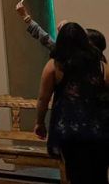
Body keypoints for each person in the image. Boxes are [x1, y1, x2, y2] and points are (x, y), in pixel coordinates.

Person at [34, 23, 109, 183]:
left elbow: (43, 99)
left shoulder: (54, 66)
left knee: (76, 175)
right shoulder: (102, 67)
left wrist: (40, 123)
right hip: (99, 130)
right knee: (99, 175)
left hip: (70, 130)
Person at [14, 2, 107, 60]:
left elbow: (45, 39)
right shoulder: (102, 67)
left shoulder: (67, 59)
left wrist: (25, 16)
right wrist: (67, 27)